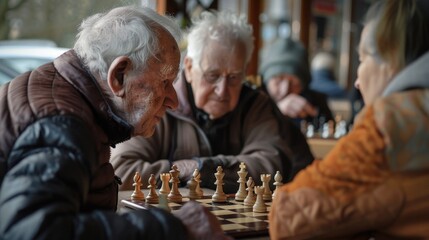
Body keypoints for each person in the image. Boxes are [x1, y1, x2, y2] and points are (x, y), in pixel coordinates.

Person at [0, 6, 230, 240]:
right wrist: (172, 228)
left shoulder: (60, 93)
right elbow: (32, 233)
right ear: (119, 75)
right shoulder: (62, 124)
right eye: (164, 81)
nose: (173, 101)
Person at [269, 0, 429, 239]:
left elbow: (287, 218)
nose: (356, 81)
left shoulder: (390, 122)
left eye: (362, 60)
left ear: (390, 58)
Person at [110, 10, 314, 193]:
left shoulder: (255, 104)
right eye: (212, 75)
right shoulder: (157, 101)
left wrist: (201, 168)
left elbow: (272, 164)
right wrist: (187, 169)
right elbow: (122, 171)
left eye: (234, 77)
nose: (222, 90)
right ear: (189, 68)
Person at [259, 37, 334, 130]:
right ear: (266, 80)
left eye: (293, 83)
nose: (285, 89)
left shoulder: (317, 102)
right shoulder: (255, 99)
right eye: (278, 81)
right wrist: (277, 112)